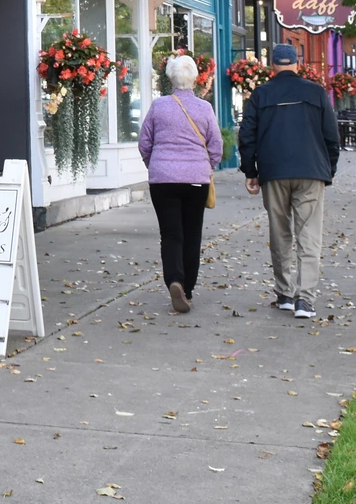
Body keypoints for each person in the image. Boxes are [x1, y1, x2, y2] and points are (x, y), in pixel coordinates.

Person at [239, 43, 340, 320]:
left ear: (273, 66)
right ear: (297, 64)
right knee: (309, 235)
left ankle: (284, 294)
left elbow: (247, 135)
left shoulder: (261, 94)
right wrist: (328, 169)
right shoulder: (317, 92)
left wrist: (251, 171)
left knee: (279, 232)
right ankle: (304, 300)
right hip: (311, 171)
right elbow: (332, 136)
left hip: (274, 171)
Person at [139, 54, 223, 313]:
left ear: (170, 79)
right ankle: (187, 290)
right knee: (192, 234)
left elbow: (145, 142)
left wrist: (156, 164)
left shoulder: (159, 106)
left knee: (171, 234)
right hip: (196, 180)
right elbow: (216, 146)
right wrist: (207, 166)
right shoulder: (204, 108)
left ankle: (174, 279)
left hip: (163, 180)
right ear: (196, 78)